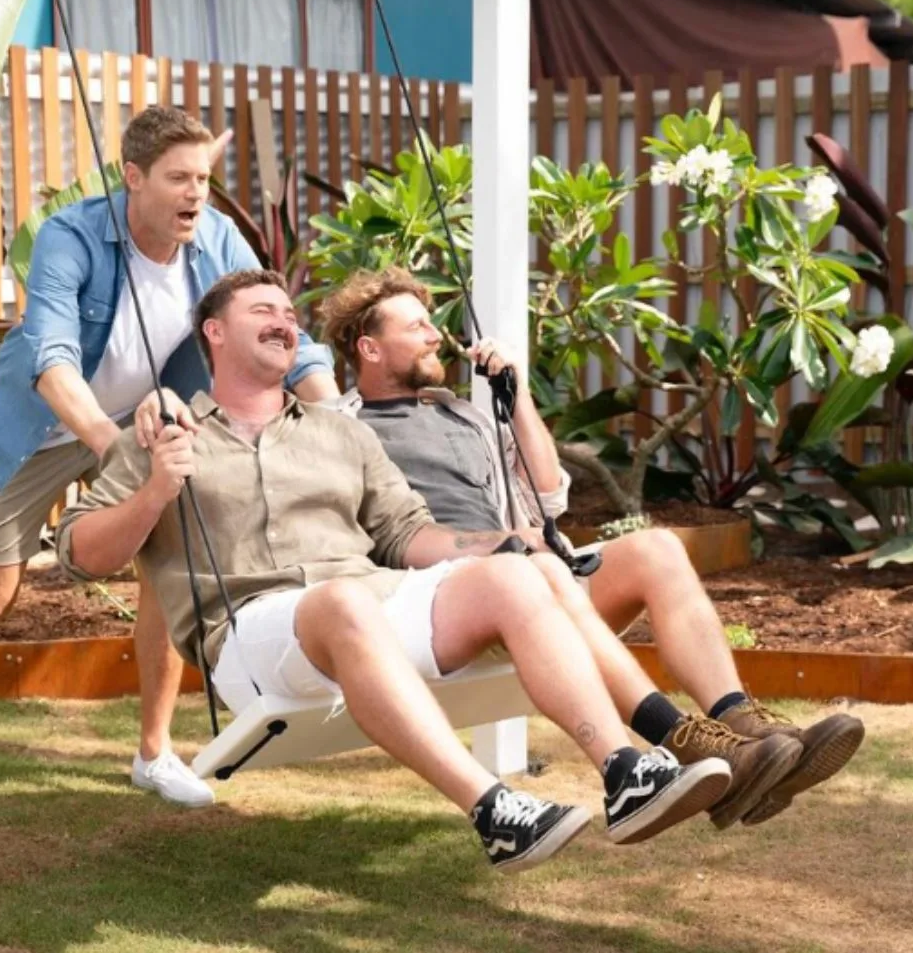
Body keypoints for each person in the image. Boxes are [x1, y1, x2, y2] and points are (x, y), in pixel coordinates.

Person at [54, 269, 735, 874]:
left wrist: (501, 543)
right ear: (215, 333)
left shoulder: (340, 432)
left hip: (367, 601)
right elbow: (79, 553)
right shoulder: (164, 436)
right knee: (342, 601)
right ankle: (492, 810)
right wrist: (153, 494)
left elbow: (406, 534)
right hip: (248, 633)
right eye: (263, 309)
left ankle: (623, 770)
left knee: (514, 577)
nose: (285, 321)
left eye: (290, 314)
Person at [319, 266, 865, 830]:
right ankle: (691, 745)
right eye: (418, 326)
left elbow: (550, 494)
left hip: (531, 576)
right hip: (456, 601)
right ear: (370, 348)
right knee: (538, 569)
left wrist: (519, 396)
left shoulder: (465, 417)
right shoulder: (340, 428)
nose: (437, 335)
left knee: (658, 549)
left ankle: (745, 728)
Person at [0, 106, 339, 808]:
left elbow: (277, 325)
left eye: (203, 177)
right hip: (46, 427)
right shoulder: (71, 236)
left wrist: (334, 416)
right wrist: (114, 447)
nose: (196, 193)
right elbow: (51, 360)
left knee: (168, 579)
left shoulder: (215, 239)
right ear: (133, 177)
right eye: (179, 178)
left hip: (147, 419)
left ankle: (153, 750)